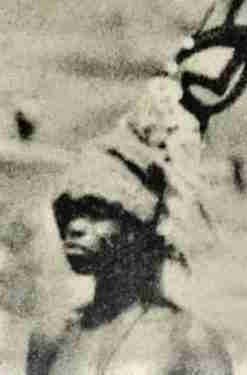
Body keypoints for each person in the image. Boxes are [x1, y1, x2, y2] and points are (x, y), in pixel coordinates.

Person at [26, 70, 234, 375]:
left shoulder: (189, 341)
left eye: (97, 212)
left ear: (142, 228)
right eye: (70, 212)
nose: (76, 226)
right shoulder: (52, 336)